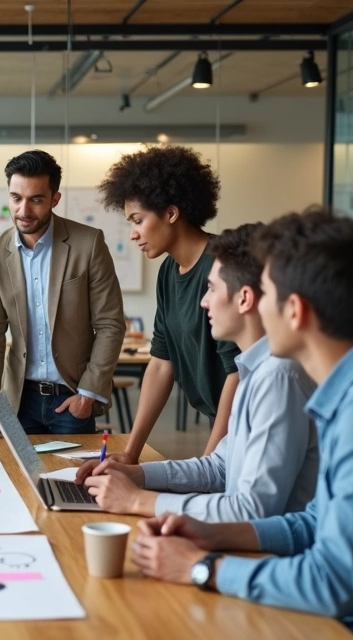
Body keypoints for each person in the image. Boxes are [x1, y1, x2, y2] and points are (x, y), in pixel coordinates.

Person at [130, 208, 353, 640]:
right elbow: (314, 523)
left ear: (294, 310)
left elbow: (335, 582)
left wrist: (203, 567)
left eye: (267, 291)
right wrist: (212, 532)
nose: (255, 301)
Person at [74, 223, 318, 522]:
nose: (203, 301)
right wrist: (135, 475)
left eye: (212, 289)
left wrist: (138, 501)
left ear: (243, 299)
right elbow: (217, 467)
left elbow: (252, 510)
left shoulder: (277, 378)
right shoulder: (255, 369)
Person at [97, 145, 240, 461]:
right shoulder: (168, 272)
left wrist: (209, 463)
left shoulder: (220, 266)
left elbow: (238, 374)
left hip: (248, 422)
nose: (133, 234)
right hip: (223, 418)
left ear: (171, 213)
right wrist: (131, 451)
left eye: (138, 220)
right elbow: (162, 362)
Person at [0, 150, 125, 437]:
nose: (23, 210)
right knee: (20, 480)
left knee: (71, 481)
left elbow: (110, 324)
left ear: (55, 199)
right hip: (18, 400)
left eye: (36, 199)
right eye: (16, 198)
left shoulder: (88, 244)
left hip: (71, 398)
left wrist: (87, 394)